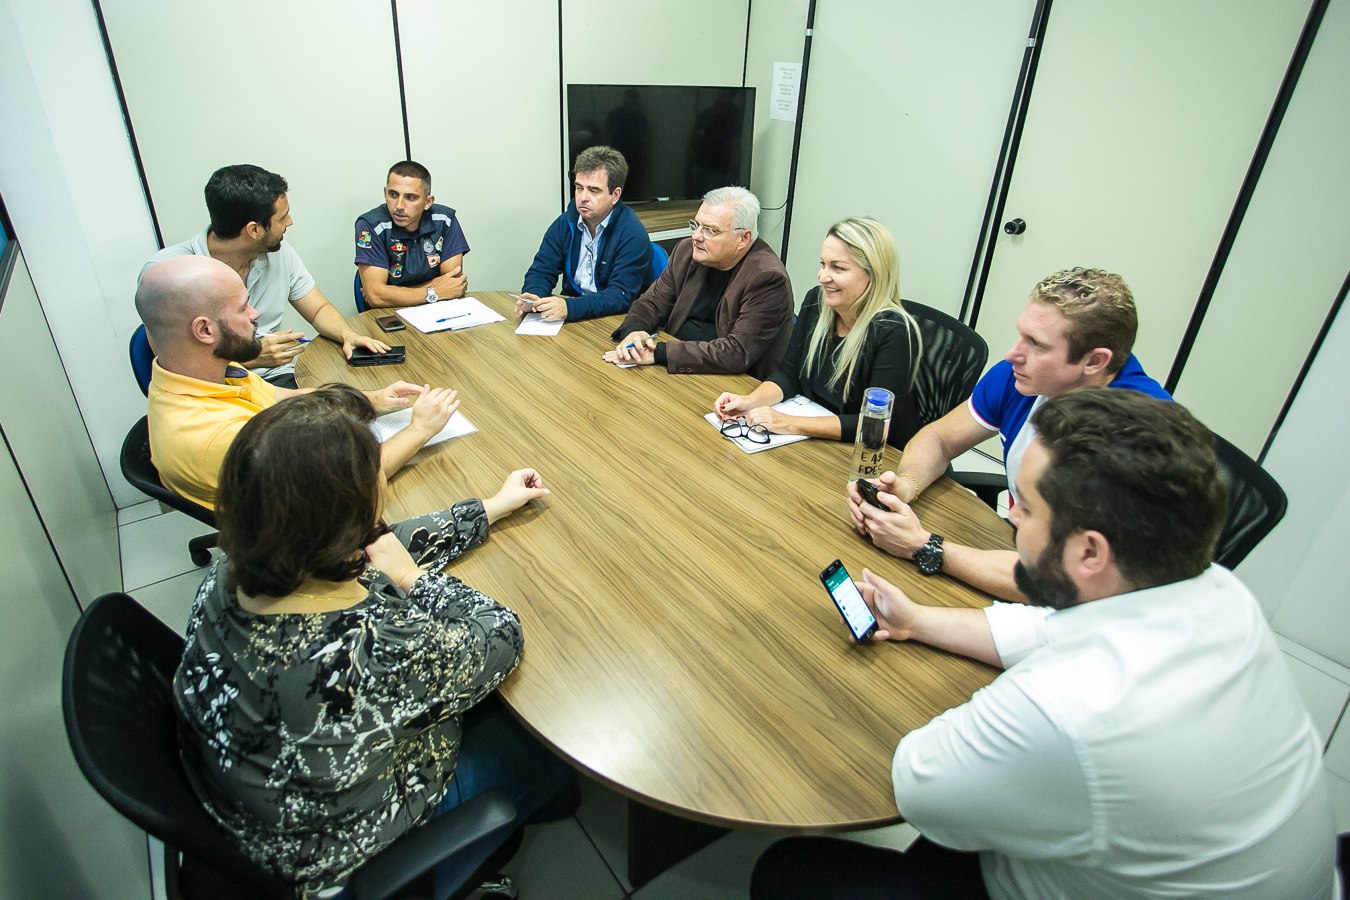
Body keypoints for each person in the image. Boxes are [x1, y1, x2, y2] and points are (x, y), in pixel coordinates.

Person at [753, 389, 1336, 900]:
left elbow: (919, 785)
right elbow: (1045, 628)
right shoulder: (1216, 591)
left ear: (1089, 553)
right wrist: (919, 620)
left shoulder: (1072, 709)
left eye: (1025, 508)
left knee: (789, 868)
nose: (1007, 511)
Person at [174, 385, 576, 897]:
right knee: (542, 746)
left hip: (255, 805)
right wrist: (414, 580)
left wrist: (489, 508)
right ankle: (547, 804)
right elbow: (500, 636)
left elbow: (376, 550)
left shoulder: (234, 570)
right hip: (333, 853)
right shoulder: (367, 650)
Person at [847, 267, 1170, 602]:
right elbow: (940, 439)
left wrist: (922, 545)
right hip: (1020, 549)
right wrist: (905, 485)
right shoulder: (1024, 377)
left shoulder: (1139, 437)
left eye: (1037, 344)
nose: (1012, 354)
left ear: (1095, 361)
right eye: (1021, 335)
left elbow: (1067, 583)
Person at [136, 255, 459, 509]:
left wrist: (371, 399)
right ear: (205, 330)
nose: (255, 313)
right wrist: (420, 429)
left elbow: (279, 396)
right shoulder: (217, 435)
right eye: (242, 307)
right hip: (302, 541)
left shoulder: (203, 371)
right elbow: (355, 482)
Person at [142, 164, 390, 389]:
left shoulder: (277, 252)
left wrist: (347, 334)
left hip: (277, 379)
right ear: (254, 230)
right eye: (282, 218)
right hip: (215, 390)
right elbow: (173, 368)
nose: (290, 222)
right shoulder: (169, 275)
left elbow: (317, 309)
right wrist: (249, 359)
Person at [712, 217, 922, 447]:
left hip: (872, 454)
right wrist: (751, 401)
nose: (823, 277)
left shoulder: (893, 330)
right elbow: (789, 375)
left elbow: (874, 423)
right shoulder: (817, 302)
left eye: (838, 268)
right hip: (816, 441)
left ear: (874, 275)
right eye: (823, 264)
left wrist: (789, 423)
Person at [605, 186, 793, 378]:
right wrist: (636, 331)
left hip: (732, 383)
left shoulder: (767, 278)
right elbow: (652, 302)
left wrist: (660, 353)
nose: (696, 236)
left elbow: (736, 353)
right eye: (696, 225)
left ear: (743, 238)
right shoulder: (686, 252)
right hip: (677, 369)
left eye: (711, 230)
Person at [516, 145, 654, 321]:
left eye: (594, 190)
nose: (583, 197)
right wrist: (534, 296)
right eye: (579, 188)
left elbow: (620, 296)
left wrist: (570, 308)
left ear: (615, 195)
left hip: (614, 319)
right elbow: (542, 270)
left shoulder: (632, 233)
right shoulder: (566, 222)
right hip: (574, 317)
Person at [355, 160, 470, 308]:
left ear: (428, 202)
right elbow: (376, 297)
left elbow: (454, 286)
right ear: (385, 193)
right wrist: (435, 290)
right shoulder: (370, 225)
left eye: (410, 197)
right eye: (393, 194)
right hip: (389, 315)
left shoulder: (445, 220)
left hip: (437, 311)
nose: (399, 206)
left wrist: (392, 293)